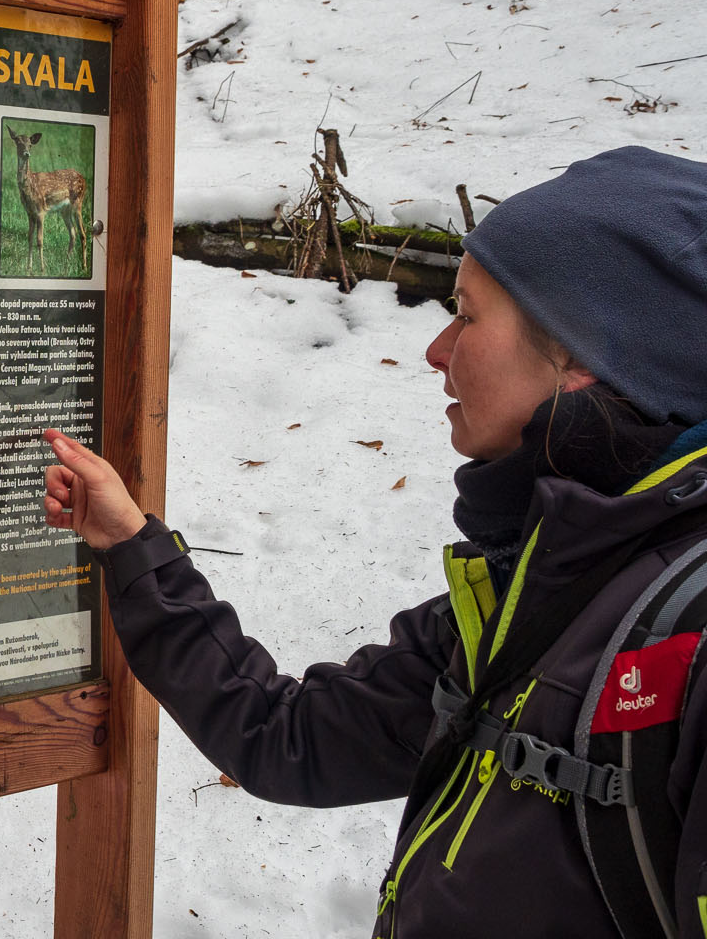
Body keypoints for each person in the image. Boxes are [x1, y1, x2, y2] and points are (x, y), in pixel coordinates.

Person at [41, 145, 707, 938]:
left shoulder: (680, 638)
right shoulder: (535, 586)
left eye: (465, 316)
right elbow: (287, 737)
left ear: (582, 359)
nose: (434, 350)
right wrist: (129, 543)